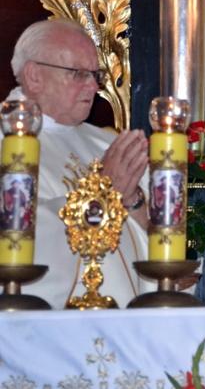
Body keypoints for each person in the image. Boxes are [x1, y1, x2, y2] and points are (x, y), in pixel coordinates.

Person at [5, 19, 150, 308]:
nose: (93, 86)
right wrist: (103, 194)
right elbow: (18, 234)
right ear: (34, 76)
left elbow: (156, 241)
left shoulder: (107, 143)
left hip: (125, 317)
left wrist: (132, 200)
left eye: (95, 75)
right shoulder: (5, 142)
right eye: (78, 73)